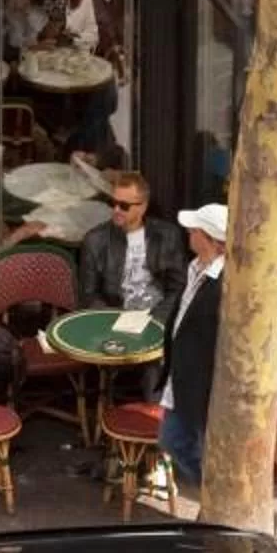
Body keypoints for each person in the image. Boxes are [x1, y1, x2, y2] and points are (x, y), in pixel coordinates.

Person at [77, 169, 188, 399]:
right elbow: (88, 295)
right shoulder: (95, 240)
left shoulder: (167, 236)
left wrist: (156, 320)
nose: (116, 210)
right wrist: (116, 319)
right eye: (113, 203)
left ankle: (152, 422)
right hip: (116, 318)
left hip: (157, 318)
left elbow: (178, 288)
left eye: (124, 206)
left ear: (143, 206)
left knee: (159, 358)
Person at [159, 203, 226, 500]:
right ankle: (210, 494)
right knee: (173, 439)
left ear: (211, 239)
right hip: (181, 375)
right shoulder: (195, 267)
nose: (189, 233)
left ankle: (216, 498)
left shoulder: (225, 283)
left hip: (202, 382)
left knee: (192, 442)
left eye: (195, 230)